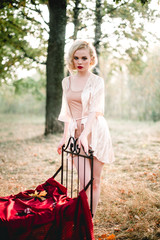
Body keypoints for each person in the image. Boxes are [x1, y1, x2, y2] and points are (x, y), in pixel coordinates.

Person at [57, 39, 115, 216]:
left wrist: (85, 135)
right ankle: (82, 219)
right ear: (72, 59)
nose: (80, 62)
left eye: (84, 58)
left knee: (95, 181)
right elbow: (66, 112)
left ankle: (90, 221)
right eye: (76, 58)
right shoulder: (66, 81)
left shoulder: (97, 81)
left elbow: (94, 111)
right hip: (76, 132)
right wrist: (65, 136)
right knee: (85, 182)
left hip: (95, 132)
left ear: (91, 59)